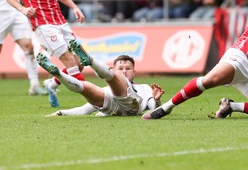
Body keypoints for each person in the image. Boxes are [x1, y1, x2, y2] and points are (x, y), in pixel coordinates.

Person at [6, 0, 86, 107]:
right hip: (41, 23)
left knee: (80, 62)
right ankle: (95, 100)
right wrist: (23, 9)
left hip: (60, 20)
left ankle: (52, 84)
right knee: (70, 60)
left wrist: (74, 7)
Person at [37, 40, 165, 117]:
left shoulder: (144, 88)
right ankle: (58, 73)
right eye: (120, 68)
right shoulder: (107, 89)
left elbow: (153, 107)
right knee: (85, 87)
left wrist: (156, 100)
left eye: (128, 68)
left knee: (115, 81)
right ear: (113, 69)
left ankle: (90, 61)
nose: (124, 71)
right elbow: (84, 110)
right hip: (111, 107)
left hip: (131, 105)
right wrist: (61, 113)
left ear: (134, 72)